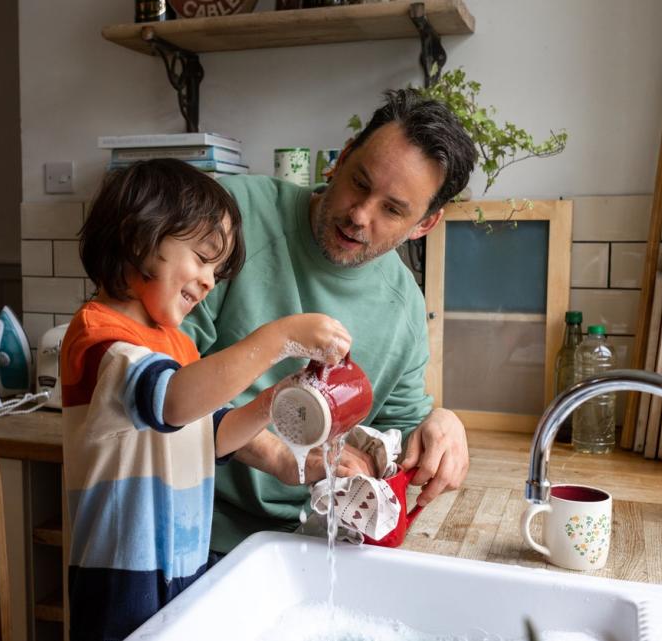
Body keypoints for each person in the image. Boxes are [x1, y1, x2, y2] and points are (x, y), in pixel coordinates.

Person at [60, 158, 351, 641]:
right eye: (201, 257)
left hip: (184, 559)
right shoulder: (101, 338)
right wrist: (278, 337)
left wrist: (277, 397)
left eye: (216, 270)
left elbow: (212, 435)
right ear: (139, 238)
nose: (210, 280)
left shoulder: (175, 344)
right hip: (120, 576)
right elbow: (173, 403)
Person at [181, 88, 478, 555]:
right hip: (191, 524)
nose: (360, 215)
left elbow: (399, 437)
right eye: (360, 182)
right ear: (338, 162)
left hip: (315, 544)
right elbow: (153, 376)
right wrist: (276, 456)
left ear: (424, 224)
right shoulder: (228, 217)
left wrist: (443, 423)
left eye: (393, 209)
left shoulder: (403, 307)